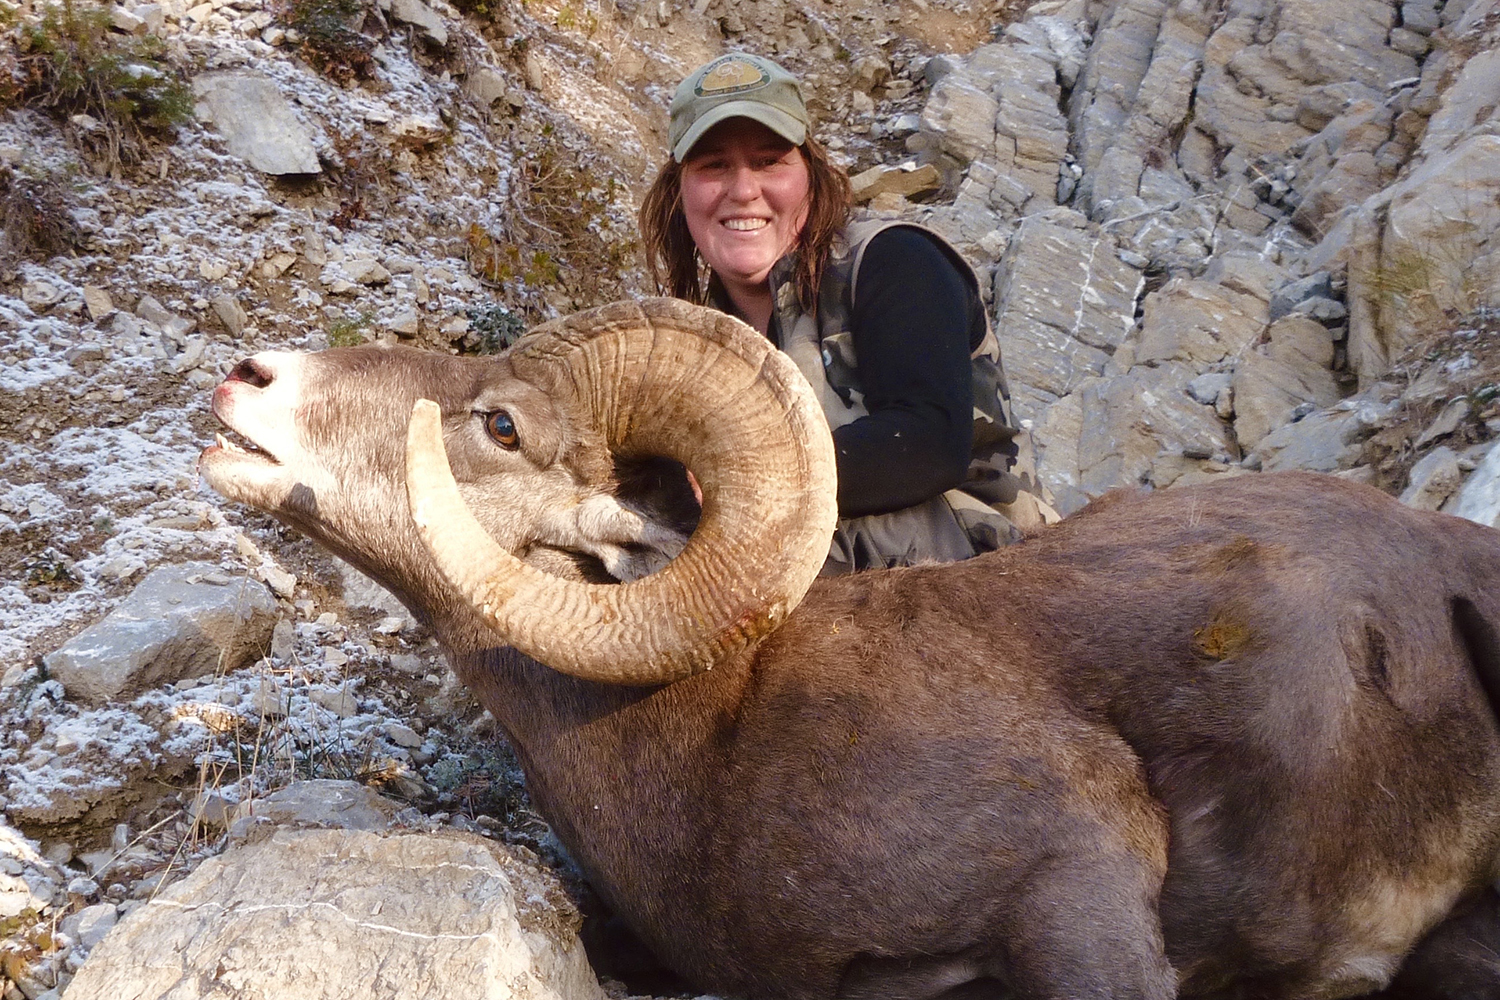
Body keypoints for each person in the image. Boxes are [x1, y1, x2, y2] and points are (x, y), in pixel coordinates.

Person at [640, 52, 1047, 574]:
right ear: (679, 190)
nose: (743, 191)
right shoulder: (697, 341)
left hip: (985, 568)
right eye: (713, 165)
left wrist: (751, 476)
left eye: (769, 161)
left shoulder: (895, 262)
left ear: (809, 174)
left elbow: (930, 440)